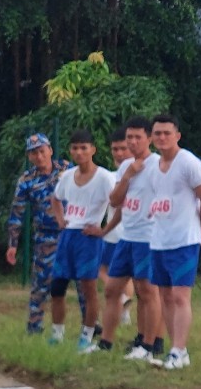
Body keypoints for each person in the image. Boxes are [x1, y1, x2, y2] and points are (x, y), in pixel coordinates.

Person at [130, 112, 201, 370]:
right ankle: (173, 349)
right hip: (159, 240)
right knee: (164, 295)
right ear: (152, 138)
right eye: (157, 134)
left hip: (184, 240)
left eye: (167, 133)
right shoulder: (153, 167)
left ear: (177, 135)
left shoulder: (189, 162)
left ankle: (179, 350)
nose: (162, 138)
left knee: (179, 296)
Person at [37, 131, 115, 350]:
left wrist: (104, 229)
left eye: (84, 148)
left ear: (93, 150)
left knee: (88, 288)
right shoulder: (67, 176)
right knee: (58, 286)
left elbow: (119, 204)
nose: (79, 152)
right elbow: (56, 199)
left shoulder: (105, 177)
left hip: (88, 238)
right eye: (75, 148)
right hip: (68, 235)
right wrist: (61, 219)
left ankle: (87, 334)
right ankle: (57, 333)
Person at [106, 117, 160, 359]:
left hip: (149, 237)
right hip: (127, 236)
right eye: (130, 137)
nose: (133, 142)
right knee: (112, 289)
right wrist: (127, 175)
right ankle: (105, 342)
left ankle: (149, 345)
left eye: (138, 137)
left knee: (147, 291)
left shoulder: (159, 164)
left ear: (149, 138)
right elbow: (115, 200)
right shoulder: (125, 166)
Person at [5, 132, 64, 336]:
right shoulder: (27, 180)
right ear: (29, 157)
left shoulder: (67, 170)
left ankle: (91, 326)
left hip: (71, 233)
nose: (39, 157)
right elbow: (17, 213)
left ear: (50, 150)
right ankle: (34, 326)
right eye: (33, 153)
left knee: (83, 281)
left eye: (41, 151)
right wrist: (13, 244)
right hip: (45, 236)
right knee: (41, 283)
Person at [94, 131, 137, 352]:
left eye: (123, 149)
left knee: (102, 269)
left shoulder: (116, 176)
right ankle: (124, 307)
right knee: (117, 274)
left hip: (122, 235)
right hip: (113, 232)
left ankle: (123, 300)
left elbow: (113, 202)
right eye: (115, 149)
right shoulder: (115, 173)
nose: (119, 153)